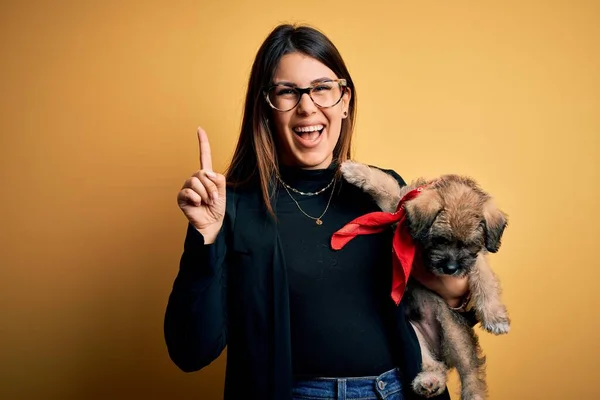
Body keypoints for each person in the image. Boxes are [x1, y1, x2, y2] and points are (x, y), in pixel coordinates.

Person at [164, 24, 474, 400]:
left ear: (344, 101)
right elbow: (191, 351)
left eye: (321, 88)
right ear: (266, 107)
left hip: (396, 390)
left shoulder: (382, 190)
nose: (307, 106)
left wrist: (458, 289)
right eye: (287, 92)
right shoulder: (231, 207)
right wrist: (206, 237)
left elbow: (446, 304)